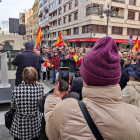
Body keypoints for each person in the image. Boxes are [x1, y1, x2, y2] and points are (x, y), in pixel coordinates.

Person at [44, 36, 140, 140]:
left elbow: (51, 133)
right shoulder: (136, 115)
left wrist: (54, 98)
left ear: (85, 76)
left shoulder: (66, 109)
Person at [10, 67, 44, 140]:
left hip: (21, 124)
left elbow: (13, 106)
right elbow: (41, 106)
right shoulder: (40, 88)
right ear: (36, 76)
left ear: (23, 76)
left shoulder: (16, 90)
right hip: (35, 122)